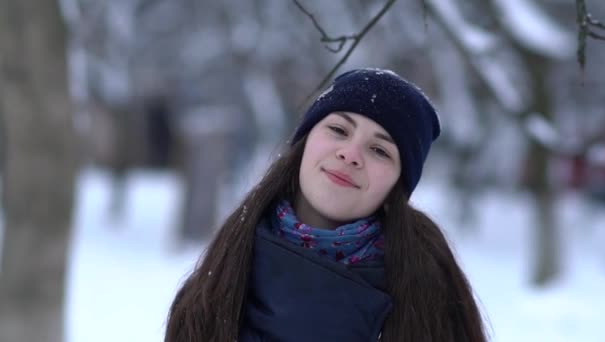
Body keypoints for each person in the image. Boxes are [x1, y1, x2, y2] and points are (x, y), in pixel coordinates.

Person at [164, 68, 488, 342]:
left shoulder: (432, 299)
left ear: (397, 186)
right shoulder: (216, 281)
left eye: (380, 150)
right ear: (305, 142)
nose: (350, 154)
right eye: (338, 129)